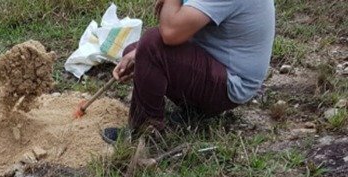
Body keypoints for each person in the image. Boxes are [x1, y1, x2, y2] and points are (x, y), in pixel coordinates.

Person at [103, 0, 275, 142]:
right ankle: (193, 111)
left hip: (232, 84)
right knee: (138, 51)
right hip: (218, 64)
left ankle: (145, 135)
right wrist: (141, 54)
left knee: (151, 46)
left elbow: (170, 32)